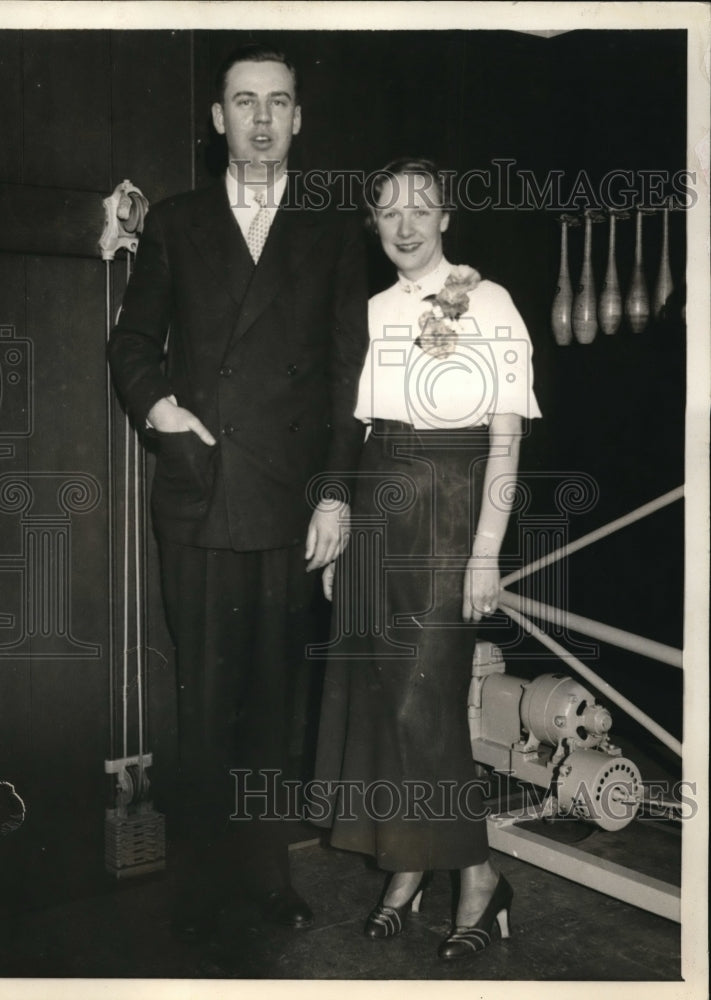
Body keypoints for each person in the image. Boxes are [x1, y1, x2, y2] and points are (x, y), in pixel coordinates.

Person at [107, 43, 368, 935]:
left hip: (291, 503)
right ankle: (202, 884)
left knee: (272, 708)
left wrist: (336, 493)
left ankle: (266, 879)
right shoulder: (177, 223)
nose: (260, 119)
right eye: (243, 102)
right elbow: (131, 344)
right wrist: (162, 412)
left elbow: (347, 375)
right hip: (199, 492)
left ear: (298, 119)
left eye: (278, 103)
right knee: (205, 705)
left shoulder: (333, 231)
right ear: (217, 120)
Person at [314, 157, 541, 959]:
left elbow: (505, 441)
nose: (404, 225)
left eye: (420, 209)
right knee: (381, 697)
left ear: (446, 217)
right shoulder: (374, 309)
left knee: (425, 702)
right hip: (381, 498)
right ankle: (409, 866)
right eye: (386, 213)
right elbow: (366, 429)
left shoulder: (491, 301)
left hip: (451, 504)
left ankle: (477, 873)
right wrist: (347, 528)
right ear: (372, 226)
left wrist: (486, 553)